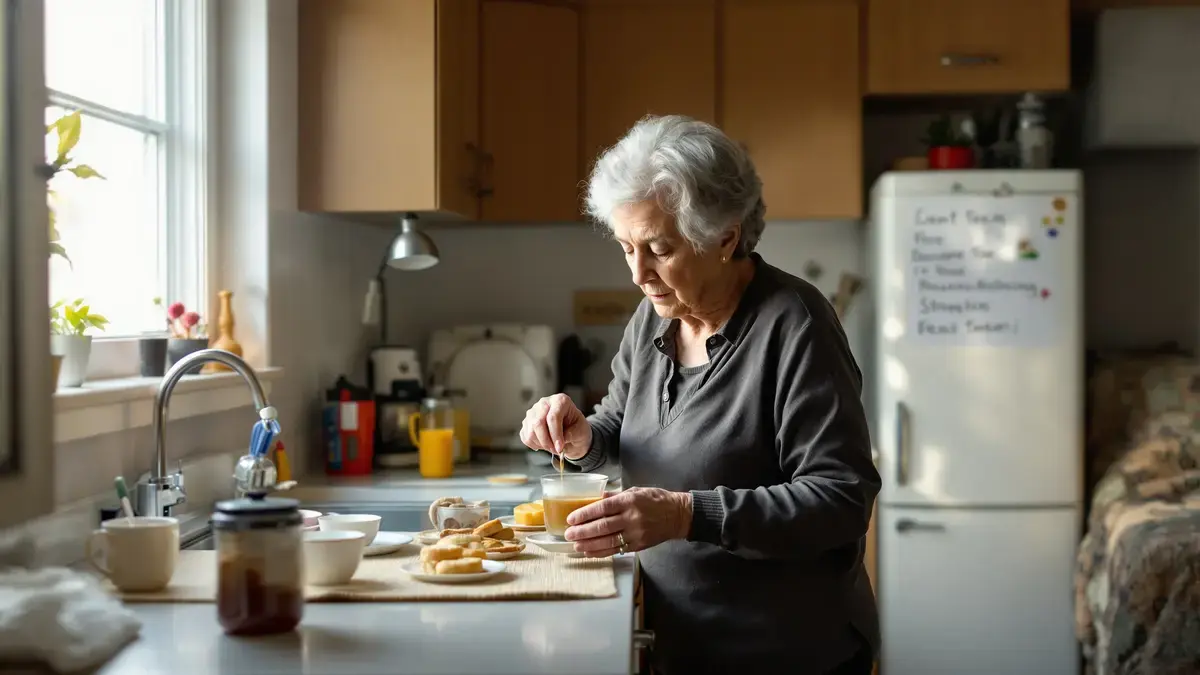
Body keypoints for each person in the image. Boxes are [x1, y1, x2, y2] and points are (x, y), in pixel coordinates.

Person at [519, 115, 880, 674]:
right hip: (676, 638)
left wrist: (687, 515)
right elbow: (620, 427)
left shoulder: (795, 324)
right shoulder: (654, 315)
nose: (638, 273)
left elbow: (840, 498)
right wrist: (581, 436)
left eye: (659, 249)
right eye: (625, 247)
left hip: (780, 653)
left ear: (725, 237)